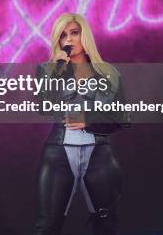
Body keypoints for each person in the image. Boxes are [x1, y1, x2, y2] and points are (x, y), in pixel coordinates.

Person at [32, 12, 128, 235]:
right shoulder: (47, 70)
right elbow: (44, 107)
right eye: (63, 35)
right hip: (58, 155)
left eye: (75, 33)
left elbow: (121, 118)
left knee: (106, 224)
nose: (69, 40)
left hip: (99, 156)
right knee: (47, 225)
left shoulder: (109, 73)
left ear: (85, 35)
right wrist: (56, 73)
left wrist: (88, 119)